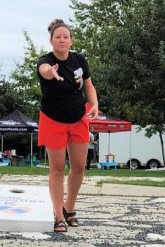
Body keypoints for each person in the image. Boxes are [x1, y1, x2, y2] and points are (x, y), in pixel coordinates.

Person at [37, 19, 98, 232]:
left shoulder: (79, 59)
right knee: (56, 168)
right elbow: (44, 69)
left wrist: (95, 103)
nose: (62, 40)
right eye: (58, 37)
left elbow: (89, 86)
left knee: (79, 167)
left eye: (66, 37)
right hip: (53, 118)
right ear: (51, 40)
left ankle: (69, 208)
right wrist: (51, 72)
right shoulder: (46, 60)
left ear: (71, 40)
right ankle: (57, 216)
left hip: (78, 116)